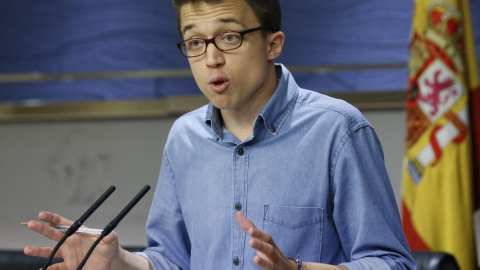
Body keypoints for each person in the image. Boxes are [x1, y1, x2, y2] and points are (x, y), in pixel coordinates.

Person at [24, 0, 416, 269]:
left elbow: (392, 262)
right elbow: (172, 260)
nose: (211, 58)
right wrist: (120, 261)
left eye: (229, 37)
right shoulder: (184, 137)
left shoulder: (338, 129)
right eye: (195, 42)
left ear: (272, 44)